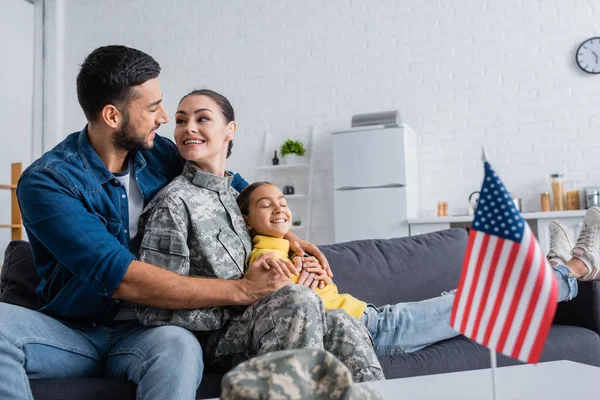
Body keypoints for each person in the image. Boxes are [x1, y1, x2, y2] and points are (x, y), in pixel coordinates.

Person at [0, 45, 329, 400]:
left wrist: (286, 234)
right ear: (113, 116)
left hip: (148, 331)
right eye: (153, 107)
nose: (163, 118)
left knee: (179, 347)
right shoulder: (47, 182)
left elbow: (228, 187)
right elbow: (120, 276)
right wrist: (244, 289)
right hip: (71, 332)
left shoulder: (157, 152)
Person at [135, 89, 384, 382]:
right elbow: (152, 308)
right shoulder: (173, 203)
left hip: (269, 323)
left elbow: (268, 257)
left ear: (230, 131)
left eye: (202, 118)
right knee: (296, 299)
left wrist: (300, 264)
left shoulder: (238, 199)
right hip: (216, 341)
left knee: (341, 321)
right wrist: (243, 296)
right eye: (180, 120)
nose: (188, 127)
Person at [236, 181, 600, 357]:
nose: (279, 208)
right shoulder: (267, 258)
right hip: (376, 330)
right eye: (266, 205)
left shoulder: (288, 247)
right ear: (248, 220)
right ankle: (577, 266)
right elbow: (286, 299)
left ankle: (560, 267)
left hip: (377, 317)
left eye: (283, 202)